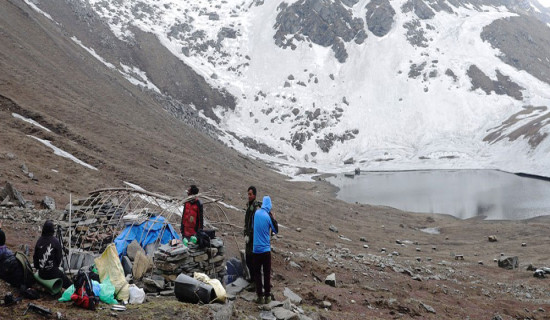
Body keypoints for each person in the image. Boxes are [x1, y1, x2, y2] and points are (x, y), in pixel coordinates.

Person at [252, 196, 278, 304]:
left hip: (256, 250)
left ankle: (259, 296)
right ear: (269, 205)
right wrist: (273, 218)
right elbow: (276, 230)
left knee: (257, 274)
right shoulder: (268, 216)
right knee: (266, 274)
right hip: (266, 250)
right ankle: (267, 296)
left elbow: (254, 227)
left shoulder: (256, 213)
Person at [33, 220, 71, 289]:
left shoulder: (39, 241)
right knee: (65, 279)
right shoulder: (55, 242)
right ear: (52, 230)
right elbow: (58, 259)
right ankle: (72, 288)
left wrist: (39, 268)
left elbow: (35, 258)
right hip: (52, 273)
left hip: (41, 273)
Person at [244, 186, 261, 290]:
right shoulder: (250, 206)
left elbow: (254, 225)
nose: (249, 196)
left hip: (253, 239)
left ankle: (255, 282)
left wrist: (250, 235)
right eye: (248, 194)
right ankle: (252, 279)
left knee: (252, 259)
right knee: (248, 258)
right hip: (248, 237)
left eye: (250, 194)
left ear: (254, 195)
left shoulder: (255, 208)